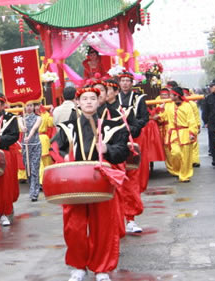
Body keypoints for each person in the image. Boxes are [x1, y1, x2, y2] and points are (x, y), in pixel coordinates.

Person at [51, 87, 129, 281]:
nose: (88, 102)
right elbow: (55, 149)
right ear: (77, 102)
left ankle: (101, 268)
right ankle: (78, 267)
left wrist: (107, 148)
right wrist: (65, 158)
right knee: (74, 227)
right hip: (74, 183)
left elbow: (123, 151)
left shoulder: (112, 126)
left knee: (103, 227)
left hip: (100, 182)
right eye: (84, 99)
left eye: (92, 98)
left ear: (98, 101)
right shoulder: (66, 127)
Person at [115, 71, 148, 233]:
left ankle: (130, 218)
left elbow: (144, 118)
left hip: (133, 139)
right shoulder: (114, 100)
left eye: (128, 80)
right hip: (115, 141)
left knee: (131, 179)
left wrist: (134, 127)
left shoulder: (139, 99)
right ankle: (118, 219)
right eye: (123, 81)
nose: (125, 83)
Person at [0, 90, 21, 226]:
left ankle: (6, 212)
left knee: (4, 185)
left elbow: (14, 136)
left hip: (4, 152)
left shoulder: (11, 118)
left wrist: (1, 139)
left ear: (2, 105)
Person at [160, 87, 198, 183]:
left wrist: (192, 133)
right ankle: (177, 171)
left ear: (177, 96)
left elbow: (191, 120)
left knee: (186, 157)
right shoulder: (169, 105)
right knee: (175, 153)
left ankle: (185, 175)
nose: (170, 97)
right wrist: (157, 115)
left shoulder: (187, 106)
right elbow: (164, 116)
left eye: (172, 95)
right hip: (173, 134)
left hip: (185, 133)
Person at [22, 102, 42, 202]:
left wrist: (29, 137)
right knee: (28, 169)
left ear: (34, 106)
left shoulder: (38, 118)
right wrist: (23, 128)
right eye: (27, 105)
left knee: (34, 168)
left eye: (31, 105)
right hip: (25, 147)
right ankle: (31, 187)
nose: (29, 107)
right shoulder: (21, 118)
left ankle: (34, 193)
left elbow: (34, 128)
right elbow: (21, 127)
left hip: (35, 145)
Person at [37, 102, 56, 185]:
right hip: (38, 139)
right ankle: (43, 180)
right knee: (41, 161)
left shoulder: (45, 114)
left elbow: (51, 124)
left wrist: (51, 113)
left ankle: (46, 179)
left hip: (42, 138)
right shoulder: (44, 114)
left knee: (45, 161)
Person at [184, 88, 201, 168]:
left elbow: (196, 115)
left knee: (194, 143)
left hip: (192, 126)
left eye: (185, 94)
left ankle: (195, 160)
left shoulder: (192, 104)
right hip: (182, 128)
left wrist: (198, 125)